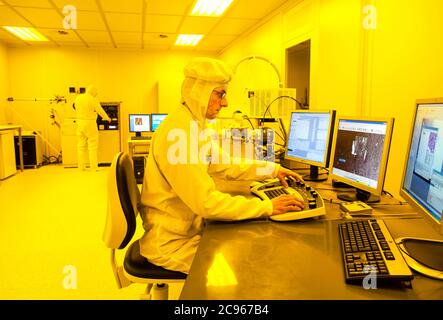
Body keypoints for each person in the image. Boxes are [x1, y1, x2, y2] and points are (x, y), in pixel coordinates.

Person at [139, 57, 305, 274]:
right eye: (220, 94)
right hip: (172, 243)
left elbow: (227, 165)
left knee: (250, 249)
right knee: (243, 270)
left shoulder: (192, 126)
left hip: (187, 229)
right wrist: (267, 207)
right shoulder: (177, 134)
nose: (225, 103)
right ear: (199, 92)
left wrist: (273, 169)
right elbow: (205, 202)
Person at [74, 85, 111, 171]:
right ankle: (94, 167)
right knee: (93, 145)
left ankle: (81, 167)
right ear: (93, 92)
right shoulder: (92, 99)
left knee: (81, 146)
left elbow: (75, 107)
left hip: (80, 123)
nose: (96, 94)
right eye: (96, 93)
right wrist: (107, 118)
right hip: (90, 123)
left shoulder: (78, 98)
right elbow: (99, 109)